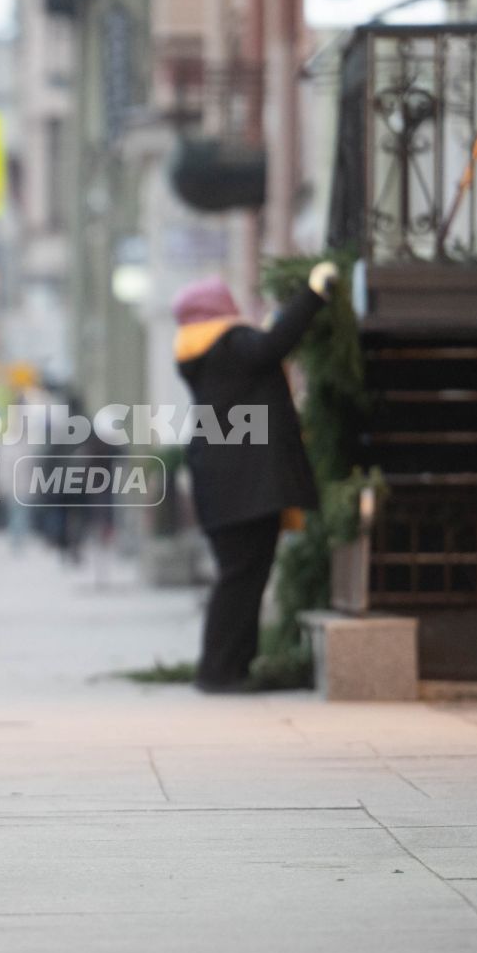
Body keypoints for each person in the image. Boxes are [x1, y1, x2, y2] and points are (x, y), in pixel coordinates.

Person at [174, 263, 337, 692]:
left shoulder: (206, 353)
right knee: (241, 578)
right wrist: (315, 294)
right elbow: (272, 347)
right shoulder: (226, 343)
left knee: (240, 576)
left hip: (223, 486)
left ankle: (231, 668)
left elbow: (262, 346)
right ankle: (219, 672)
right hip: (244, 489)